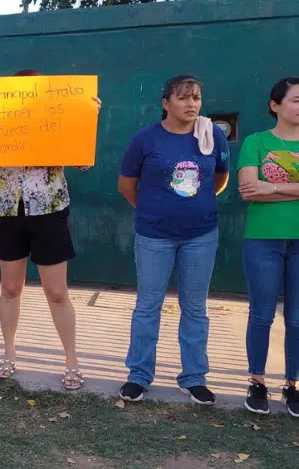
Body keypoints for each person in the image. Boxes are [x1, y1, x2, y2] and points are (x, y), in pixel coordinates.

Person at [0, 70, 101, 390]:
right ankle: (9, 353)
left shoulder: (59, 115)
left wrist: (86, 119)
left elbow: (84, 163)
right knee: (9, 289)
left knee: (57, 293)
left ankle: (72, 360)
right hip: (7, 210)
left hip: (49, 210)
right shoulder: (0, 116)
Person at [117, 75, 230, 406]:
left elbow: (219, 179)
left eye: (196, 97)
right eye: (182, 98)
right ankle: (138, 376)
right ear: (166, 103)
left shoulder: (212, 136)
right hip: (154, 236)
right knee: (148, 306)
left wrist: (193, 207)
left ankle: (194, 378)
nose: (191, 104)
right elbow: (127, 185)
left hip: (201, 236)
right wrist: (152, 210)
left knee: (195, 308)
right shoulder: (145, 139)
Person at [237, 77, 299, 418]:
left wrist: (273, 189)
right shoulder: (256, 142)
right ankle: (257, 382)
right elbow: (248, 188)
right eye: (297, 100)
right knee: (261, 314)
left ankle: (292, 386)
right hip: (264, 239)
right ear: (276, 105)